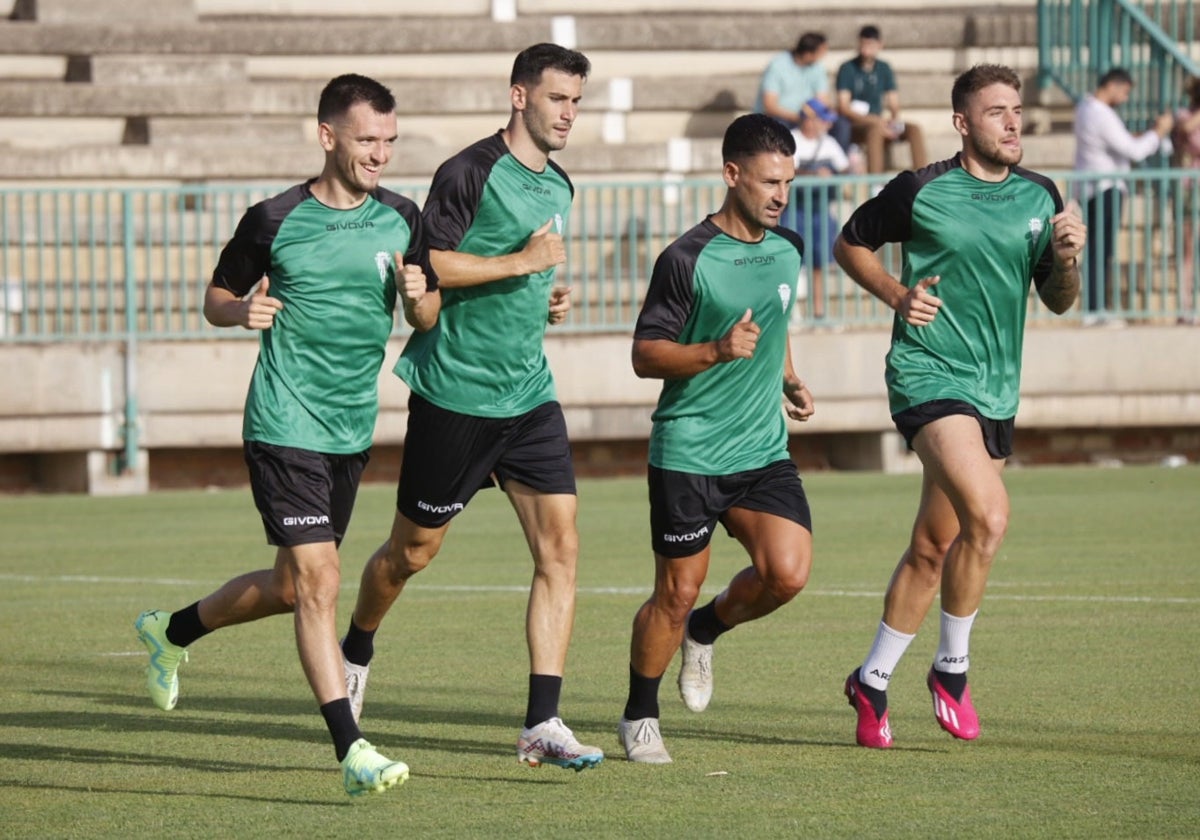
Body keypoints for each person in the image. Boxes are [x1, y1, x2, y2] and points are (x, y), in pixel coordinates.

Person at [133, 74, 439, 796]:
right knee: (320, 584)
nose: (380, 154)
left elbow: (427, 318)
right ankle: (352, 749)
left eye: (390, 142)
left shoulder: (403, 215)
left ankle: (170, 632)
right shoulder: (272, 218)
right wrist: (240, 314)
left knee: (287, 586)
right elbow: (215, 296)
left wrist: (423, 304)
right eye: (367, 139)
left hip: (349, 429)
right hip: (283, 422)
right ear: (327, 135)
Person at [339, 43, 603, 772]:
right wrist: (522, 265)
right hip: (454, 395)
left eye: (577, 101)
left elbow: (519, 270)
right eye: (557, 99)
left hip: (528, 396)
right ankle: (356, 648)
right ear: (519, 96)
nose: (569, 114)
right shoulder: (469, 171)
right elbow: (431, 265)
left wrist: (541, 297)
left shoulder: (563, 185)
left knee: (562, 548)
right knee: (410, 555)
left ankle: (543, 721)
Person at [832, 64, 1086, 749]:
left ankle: (873, 679)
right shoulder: (922, 189)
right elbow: (849, 242)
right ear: (962, 122)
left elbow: (1058, 298)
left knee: (934, 545)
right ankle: (952, 671)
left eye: (1018, 111)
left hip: (996, 391)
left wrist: (1065, 259)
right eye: (997, 111)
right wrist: (895, 294)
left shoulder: (1041, 195)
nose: (1013, 123)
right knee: (991, 515)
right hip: (928, 375)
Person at [618, 113, 817, 764]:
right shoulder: (686, 258)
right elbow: (646, 356)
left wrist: (788, 378)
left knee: (787, 574)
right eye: (769, 182)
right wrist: (716, 350)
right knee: (673, 593)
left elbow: (777, 325)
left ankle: (708, 629)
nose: (781, 195)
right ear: (732, 175)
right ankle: (640, 715)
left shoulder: (788, 249)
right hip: (691, 451)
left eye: (787, 182)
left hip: (761, 451)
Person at [1073, 67, 1173, 325]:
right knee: (1100, 250)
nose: (1126, 98)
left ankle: (1095, 309)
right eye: (1126, 92)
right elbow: (1135, 151)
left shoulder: (1085, 107)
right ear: (1114, 86)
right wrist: (1158, 133)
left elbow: (1120, 143)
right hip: (1106, 187)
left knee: (1097, 249)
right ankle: (1096, 311)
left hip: (1093, 187)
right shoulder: (1101, 113)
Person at [784, 100, 849, 322]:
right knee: (792, 264)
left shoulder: (828, 143)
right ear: (809, 120)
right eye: (821, 120)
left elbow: (844, 168)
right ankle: (791, 313)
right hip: (796, 210)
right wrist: (813, 175)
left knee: (819, 262)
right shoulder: (791, 140)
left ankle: (819, 313)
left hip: (820, 210)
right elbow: (788, 169)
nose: (824, 125)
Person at [834, 24, 929, 175]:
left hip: (881, 121)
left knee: (913, 129)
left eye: (870, 45)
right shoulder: (847, 68)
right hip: (858, 124)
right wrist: (873, 120)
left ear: (879, 45)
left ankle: (923, 177)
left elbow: (893, 102)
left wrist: (893, 121)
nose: (866, 49)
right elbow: (843, 107)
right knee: (875, 130)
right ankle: (875, 181)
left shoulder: (884, 68)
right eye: (863, 44)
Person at [755, 32, 832, 130]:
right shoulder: (778, 65)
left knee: (839, 125)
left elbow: (822, 98)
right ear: (808, 54)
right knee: (781, 127)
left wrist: (820, 116)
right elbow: (770, 106)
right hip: (781, 118)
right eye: (821, 52)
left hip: (808, 118)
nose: (823, 56)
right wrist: (798, 118)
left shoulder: (818, 67)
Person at [1172, 76, 1200, 325]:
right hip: (1191, 189)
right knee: (1188, 250)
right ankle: (1186, 306)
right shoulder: (1184, 115)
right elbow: (1188, 130)